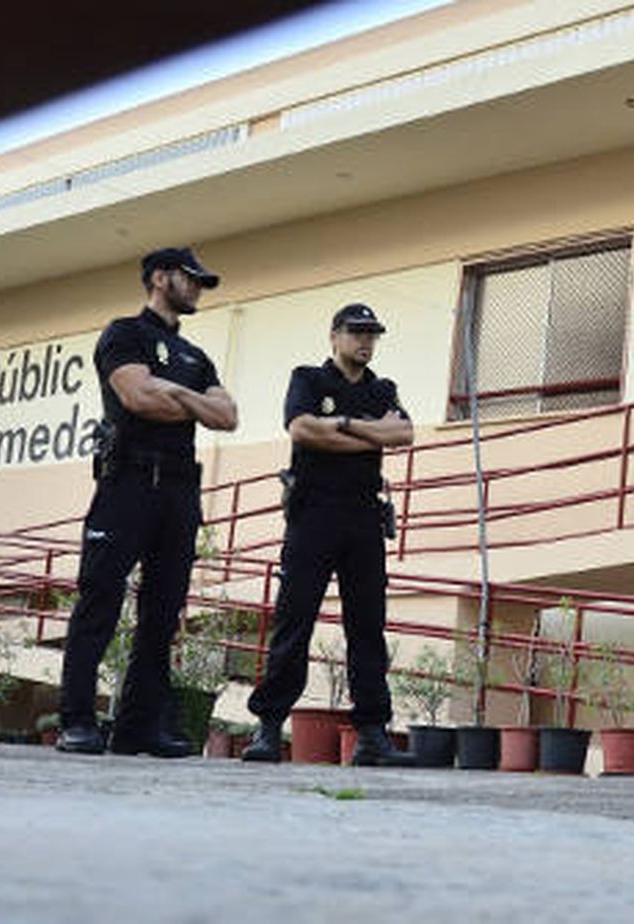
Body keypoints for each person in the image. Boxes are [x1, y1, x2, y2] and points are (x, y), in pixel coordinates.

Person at [57, 247, 238, 757]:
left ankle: (138, 726)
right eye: (190, 278)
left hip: (179, 491)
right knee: (100, 599)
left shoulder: (196, 357)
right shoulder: (124, 334)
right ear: (159, 279)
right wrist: (191, 401)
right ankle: (76, 720)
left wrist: (173, 393)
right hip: (127, 482)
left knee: (162, 612)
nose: (198, 287)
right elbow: (137, 397)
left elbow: (228, 417)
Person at [241, 303, 417, 766]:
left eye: (371, 334)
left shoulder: (383, 388)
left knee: (367, 626)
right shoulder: (309, 379)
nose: (365, 341)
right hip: (313, 512)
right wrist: (365, 432)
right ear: (334, 336)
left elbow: (402, 434)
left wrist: (338, 426)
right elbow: (301, 428)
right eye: (356, 332)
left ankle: (373, 735)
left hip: (362, 515)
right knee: (294, 619)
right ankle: (268, 728)